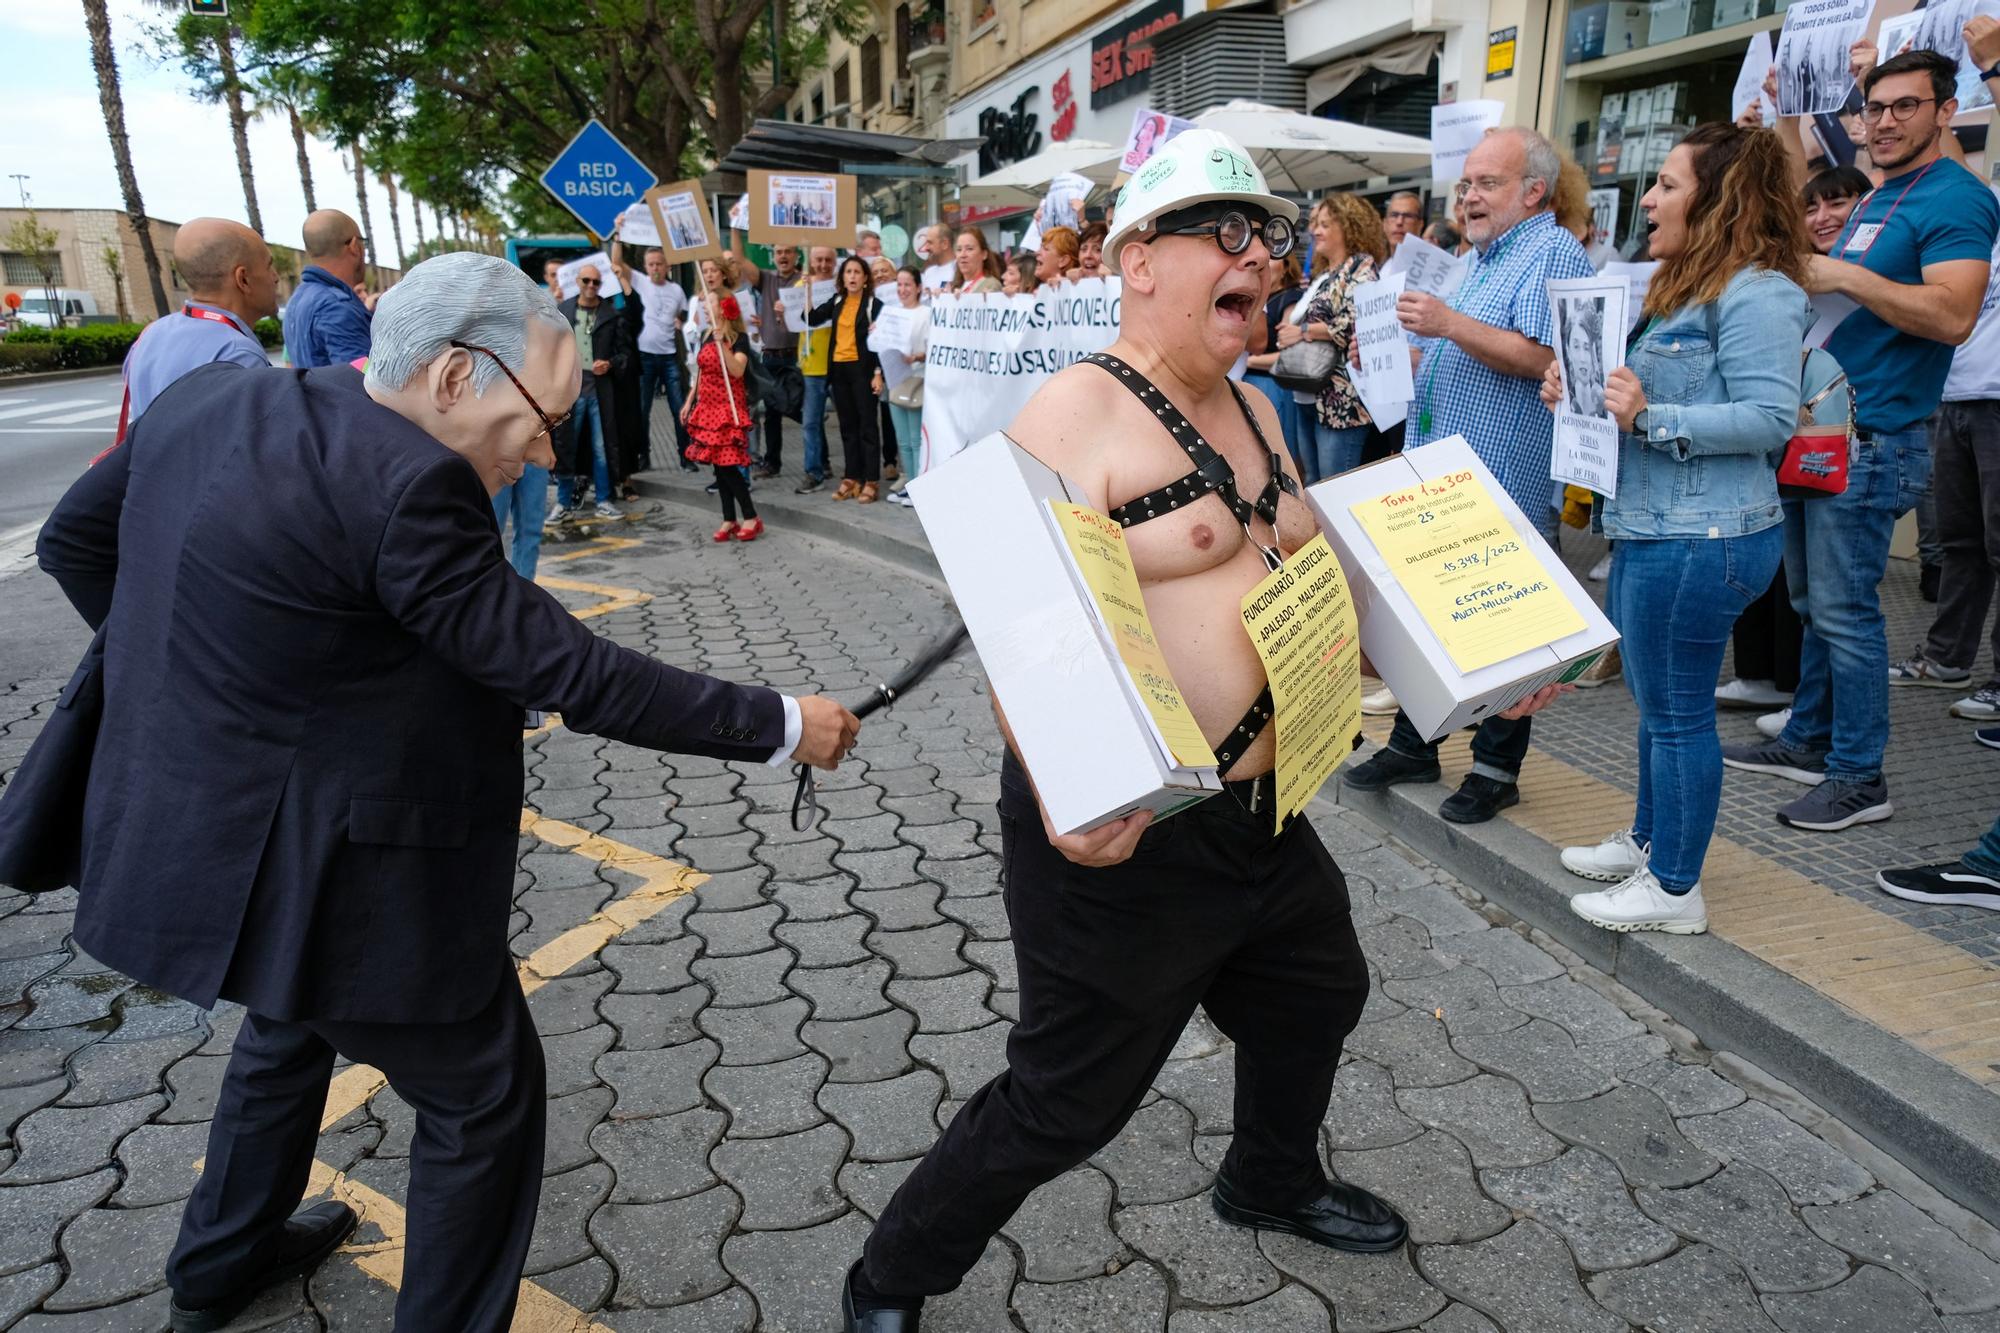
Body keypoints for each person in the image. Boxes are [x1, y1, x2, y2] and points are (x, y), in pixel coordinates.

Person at [25, 251, 862, 1333]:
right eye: (542, 416)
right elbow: (567, 670)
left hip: (215, 831)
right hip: (331, 860)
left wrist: (210, 681)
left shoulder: (217, 400)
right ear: (457, 377)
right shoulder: (413, 483)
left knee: (288, 1027)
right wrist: (784, 724)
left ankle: (219, 1265)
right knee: (482, 1096)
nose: (546, 452)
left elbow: (77, 541)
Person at [838, 128, 1568, 1333]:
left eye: (1269, 238)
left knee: (1316, 990)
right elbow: (1013, 615)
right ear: (1136, 260)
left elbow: (1316, 571)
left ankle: (1267, 1179)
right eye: (1225, 234)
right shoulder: (1076, 410)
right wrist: (1067, 793)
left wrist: (1486, 662)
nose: (1261, 260)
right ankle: (892, 1273)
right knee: (1067, 1099)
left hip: (1263, 816)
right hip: (1129, 824)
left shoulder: (1252, 405)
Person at [1724, 50, 1999, 831]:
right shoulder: (1888, 191)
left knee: (1847, 614)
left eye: (1905, 106)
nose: (1884, 121)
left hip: (1876, 437)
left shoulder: (1956, 198)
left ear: (1947, 111)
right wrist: (1783, 113)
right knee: (1815, 604)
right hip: (1827, 431)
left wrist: (1842, 277)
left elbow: (1950, 316)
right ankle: (1810, 739)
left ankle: (1859, 778)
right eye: (1875, 107)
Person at [1549, 124, 1810, 934]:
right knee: (1658, 705)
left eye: (1666, 183)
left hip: (1704, 538)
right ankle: (1651, 841)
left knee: (1680, 712)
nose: (1650, 199)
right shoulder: (1684, 286)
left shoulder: (1759, 290)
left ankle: (1673, 890)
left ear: (1720, 198)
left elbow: (1771, 417)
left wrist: (1650, 415)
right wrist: (1581, 386)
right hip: (1655, 528)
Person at [1341, 126, 1595, 826]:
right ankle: (1415, 743)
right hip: (1448, 473)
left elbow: (1548, 356)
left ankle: (1496, 769)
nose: (1470, 196)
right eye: (1467, 184)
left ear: (1533, 190)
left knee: (1508, 629)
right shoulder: (1480, 257)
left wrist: (1449, 324)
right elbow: (1465, 351)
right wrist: (1408, 359)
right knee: (1436, 618)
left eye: (1487, 183)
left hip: (1504, 477)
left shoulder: (1552, 250)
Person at [1718, 163, 1872, 720]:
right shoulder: (1787, 281)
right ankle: (1802, 711)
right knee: (1803, 597)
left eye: (1840, 203)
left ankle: (1838, 744)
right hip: (1792, 444)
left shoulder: (1867, 273)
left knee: (1837, 609)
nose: (1823, 216)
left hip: (1848, 447)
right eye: (1812, 206)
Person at [120, 218, 277, 427]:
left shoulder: (150, 335)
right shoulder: (238, 353)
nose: (275, 277)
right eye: (269, 266)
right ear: (243, 279)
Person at [1282, 194, 1385, 482]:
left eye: (1325, 224)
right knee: (1314, 484)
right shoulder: (1322, 274)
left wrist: (1303, 332)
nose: (1315, 231)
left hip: (1340, 401)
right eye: (1314, 224)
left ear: (1349, 226)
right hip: (1306, 392)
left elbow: (1358, 322)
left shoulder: (1359, 267)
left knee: (1336, 486)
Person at [548, 262, 632, 522]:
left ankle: (604, 499)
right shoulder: (563, 310)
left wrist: (609, 364)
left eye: (596, 282)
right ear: (578, 282)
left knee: (601, 446)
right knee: (565, 444)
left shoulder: (611, 314)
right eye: (587, 281)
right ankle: (563, 503)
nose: (591, 286)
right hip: (571, 388)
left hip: (599, 389)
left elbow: (626, 355)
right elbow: (549, 349)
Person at [683, 292, 762, 541]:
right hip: (707, 407)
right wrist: (689, 401)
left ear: (724, 308)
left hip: (727, 408)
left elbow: (737, 370)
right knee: (719, 465)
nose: (705, 306)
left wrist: (721, 345)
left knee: (727, 464)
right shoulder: (706, 335)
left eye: (710, 302)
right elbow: (701, 373)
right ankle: (729, 517)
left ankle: (750, 516)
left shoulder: (738, 339)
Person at [811, 255, 886, 502]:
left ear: (865, 278)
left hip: (863, 371)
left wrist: (878, 373)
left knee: (867, 426)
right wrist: (804, 295)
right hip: (839, 371)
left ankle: (871, 479)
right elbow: (810, 318)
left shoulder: (874, 305)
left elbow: (880, 344)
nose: (852, 276)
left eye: (857, 272)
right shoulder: (837, 301)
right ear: (842, 277)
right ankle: (852, 476)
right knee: (847, 427)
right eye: (848, 272)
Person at [611, 243, 689, 472]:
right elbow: (616, 263)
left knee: (678, 408)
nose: (655, 268)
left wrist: (681, 323)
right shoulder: (640, 281)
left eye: (659, 264)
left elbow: (684, 317)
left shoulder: (677, 291)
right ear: (645, 266)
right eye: (651, 264)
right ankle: (643, 455)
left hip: (670, 356)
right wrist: (617, 236)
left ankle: (686, 456)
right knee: (642, 410)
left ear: (667, 266)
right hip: (644, 356)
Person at [1242, 251, 1309, 477]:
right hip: (1248, 380)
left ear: (1287, 265)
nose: (1264, 262)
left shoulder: (1290, 297)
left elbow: (1286, 354)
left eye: (1272, 258)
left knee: (1278, 455)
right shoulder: (1258, 296)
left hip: (1273, 385)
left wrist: (1247, 359)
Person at [740, 244, 803, 479]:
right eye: (778, 252)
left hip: (796, 356)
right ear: (773, 256)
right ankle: (772, 463)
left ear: (796, 255)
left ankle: (820, 462)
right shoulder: (766, 279)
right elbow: (739, 258)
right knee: (772, 415)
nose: (783, 256)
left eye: (787, 251)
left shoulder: (803, 280)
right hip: (770, 356)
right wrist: (736, 227)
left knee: (805, 410)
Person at [283, 209, 373, 369]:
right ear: (354, 247)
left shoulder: (296, 300)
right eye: (362, 243)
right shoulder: (337, 308)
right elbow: (363, 379)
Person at [875, 264, 928, 506]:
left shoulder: (926, 314)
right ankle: (909, 485)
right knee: (902, 439)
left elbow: (933, 349)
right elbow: (880, 348)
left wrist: (915, 357)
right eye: (899, 285)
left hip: (918, 379)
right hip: (896, 379)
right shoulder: (890, 313)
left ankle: (920, 487)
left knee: (916, 439)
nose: (903, 289)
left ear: (918, 287)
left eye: (908, 284)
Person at [795, 245, 839, 494]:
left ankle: (853, 473)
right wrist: (781, 313)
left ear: (835, 262)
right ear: (811, 260)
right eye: (819, 259)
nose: (823, 264)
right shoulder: (800, 287)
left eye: (828, 260)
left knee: (849, 423)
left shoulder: (841, 288)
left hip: (839, 365)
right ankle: (814, 472)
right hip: (812, 365)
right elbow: (791, 322)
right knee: (810, 422)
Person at [948, 227, 1005, 294]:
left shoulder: (991, 285)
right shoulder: (954, 286)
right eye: (959, 250)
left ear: (984, 254)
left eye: (969, 249)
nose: (962, 255)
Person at [919, 223, 957, 290]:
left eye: (930, 243)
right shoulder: (929, 272)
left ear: (945, 244)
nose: (926, 248)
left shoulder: (959, 269)